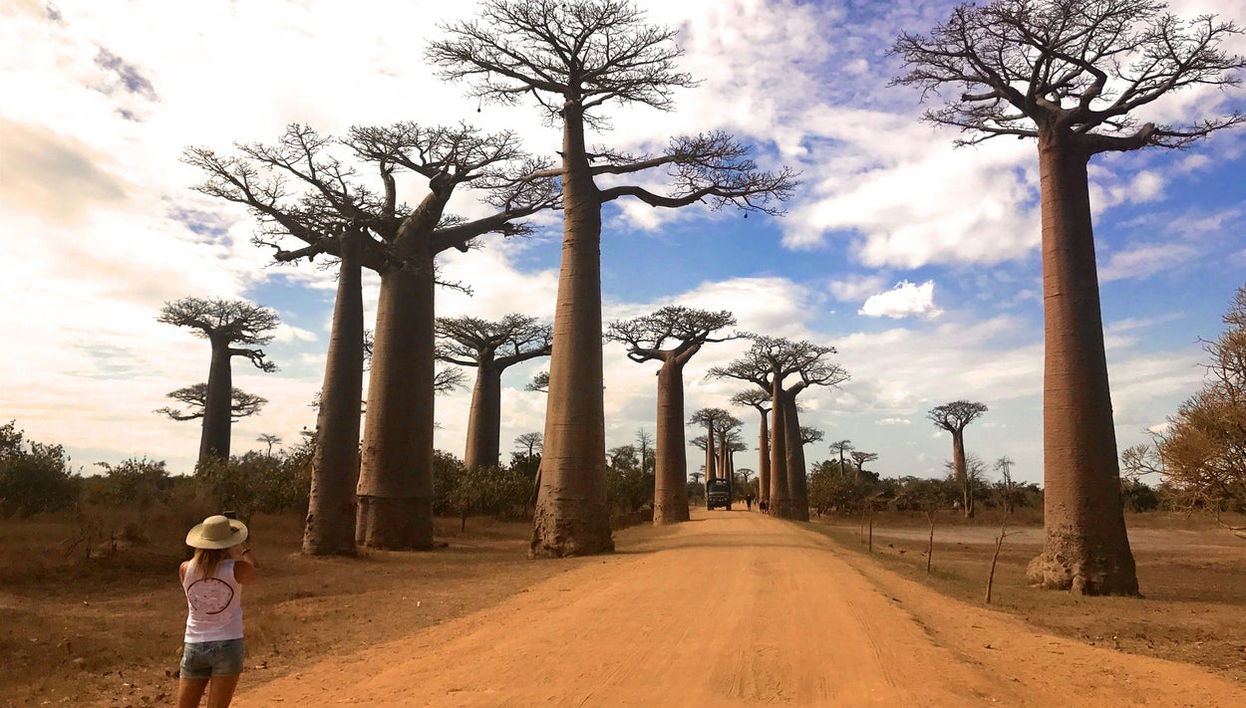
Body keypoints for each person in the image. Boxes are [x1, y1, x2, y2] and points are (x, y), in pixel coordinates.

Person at [178, 514, 259, 708]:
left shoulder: (185, 568)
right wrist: (243, 548)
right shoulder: (237, 568)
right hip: (227, 643)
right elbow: (255, 569)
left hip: (194, 644)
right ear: (228, 543)